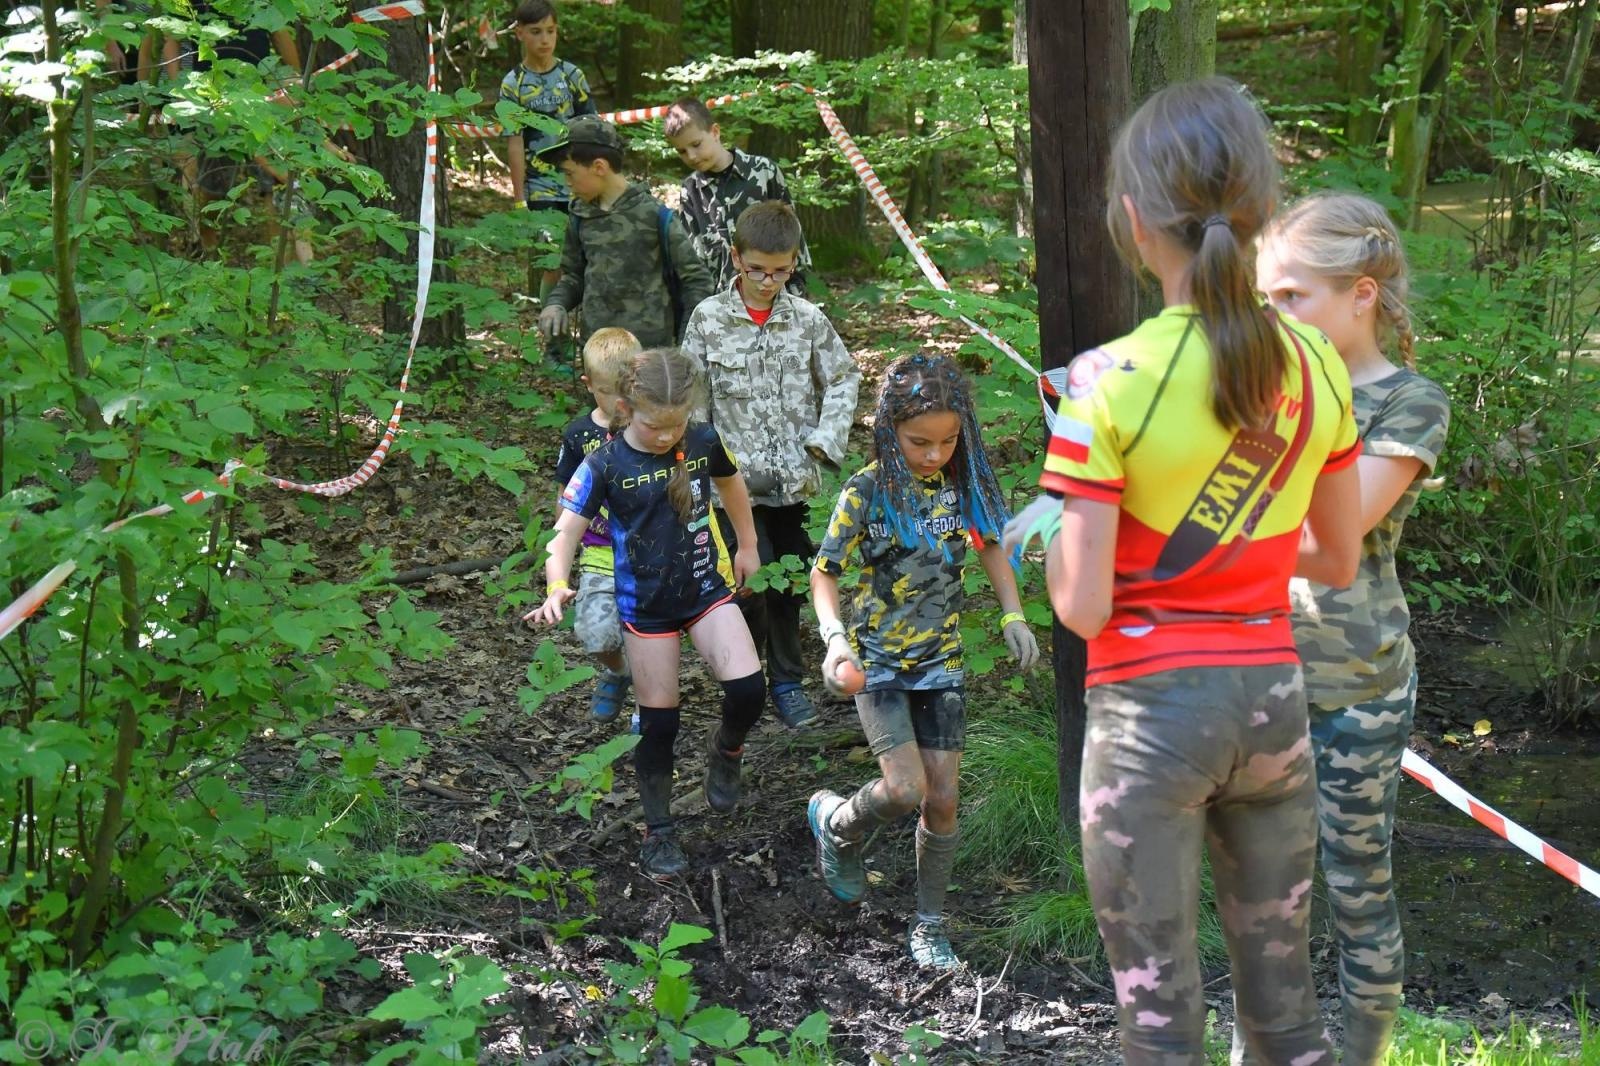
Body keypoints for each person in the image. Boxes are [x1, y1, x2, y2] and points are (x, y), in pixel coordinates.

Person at [1014, 77, 1363, 1064]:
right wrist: (1230, 561)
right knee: (1288, 1015)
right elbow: (1331, 555)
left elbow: (1080, 606)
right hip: (1272, 711)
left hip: (1146, 724)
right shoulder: (1318, 365)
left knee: (1162, 1028)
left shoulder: (1102, 382)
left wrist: (1077, 538)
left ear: (1133, 222)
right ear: (1260, 213)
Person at [1243, 191, 1450, 1066]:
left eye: (1295, 296)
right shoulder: (1258, 394)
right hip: (1255, 678)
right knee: (1264, 897)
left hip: (1356, 687)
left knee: (1357, 888)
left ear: (1361, 294)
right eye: (1265, 301)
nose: (1275, 317)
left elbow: (1332, 535)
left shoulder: (1410, 402)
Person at [806, 353, 1041, 971]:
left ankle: (930, 924)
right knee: (904, 789)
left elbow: (991, 546)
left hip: (943, 661)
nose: (935, 453)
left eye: (948, 440)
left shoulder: (961, 485)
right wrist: (834, 639)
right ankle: (837, 823)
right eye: (919, 442)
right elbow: (824, 572)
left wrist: (1012, 614)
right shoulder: (867, 489)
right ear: (888, 428)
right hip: (878, 660)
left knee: (942, 798)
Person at [528, 347, 766, 879]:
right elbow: (563, 534)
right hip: (647, 607)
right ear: (625, 408)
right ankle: (658, 832)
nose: (666, 436)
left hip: (705, 590)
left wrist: (747, 546)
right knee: (659, 724)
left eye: (675, 425)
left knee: (749, 690)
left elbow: (733, 486)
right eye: (654, 426)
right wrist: (557, 585)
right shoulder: (605, 463)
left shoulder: (702, 441)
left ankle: (727, 751)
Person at [680, 201, 861, 729]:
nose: (768, 280)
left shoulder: (807, 319)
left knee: (790, 584)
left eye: (781, 271)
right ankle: (745, 680)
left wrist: (823, 443)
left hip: (796, 483)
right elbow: (695, 397)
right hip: (731, 486)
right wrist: (697, 469)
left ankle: (786, 681)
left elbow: (844, 379)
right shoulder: (709, 318)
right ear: (736, 257)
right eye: (757, 268)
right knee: (747, 583)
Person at [538, 116, 714, 350]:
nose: (566, 182)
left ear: (599, 167)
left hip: (649, 354)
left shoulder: (656, 217)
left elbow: (697, 283)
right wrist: (556, 304)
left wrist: (686, 347)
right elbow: (574, 276)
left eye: (570, 173)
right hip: (596, 353)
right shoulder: (580, 216)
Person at [549, 327, 644, 723]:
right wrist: (561, 562)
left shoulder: (653, 425)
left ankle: (648, 704)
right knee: (595, 633)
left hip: (647, 551)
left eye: (630, 388)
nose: (621, 402)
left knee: (648, 633)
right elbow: (564, 497)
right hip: (600, 552)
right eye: (609, 391)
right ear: (589, 385)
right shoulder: (578, 435)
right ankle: (618, 670)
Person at [663, 95, 813, 295]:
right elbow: (694, 264)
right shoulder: (691, 192)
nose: (691, 156)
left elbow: (794, 242)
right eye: (682, 151)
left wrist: (797, 298)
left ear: (715, 132)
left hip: (774, 300)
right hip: (722, 310)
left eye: (696, 144)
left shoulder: (763, 172)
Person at [499, 0, 596, 299]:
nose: (544, 39)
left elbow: (592, 126)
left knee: (589, 258)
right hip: (540, 188)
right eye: (536, 31)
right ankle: (554, 333)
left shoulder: (571, 75)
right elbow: (514, 142)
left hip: (580, 183)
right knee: (553, 261)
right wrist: (518, 200)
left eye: (550, 31)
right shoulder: (512, 84)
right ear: (519, 34)